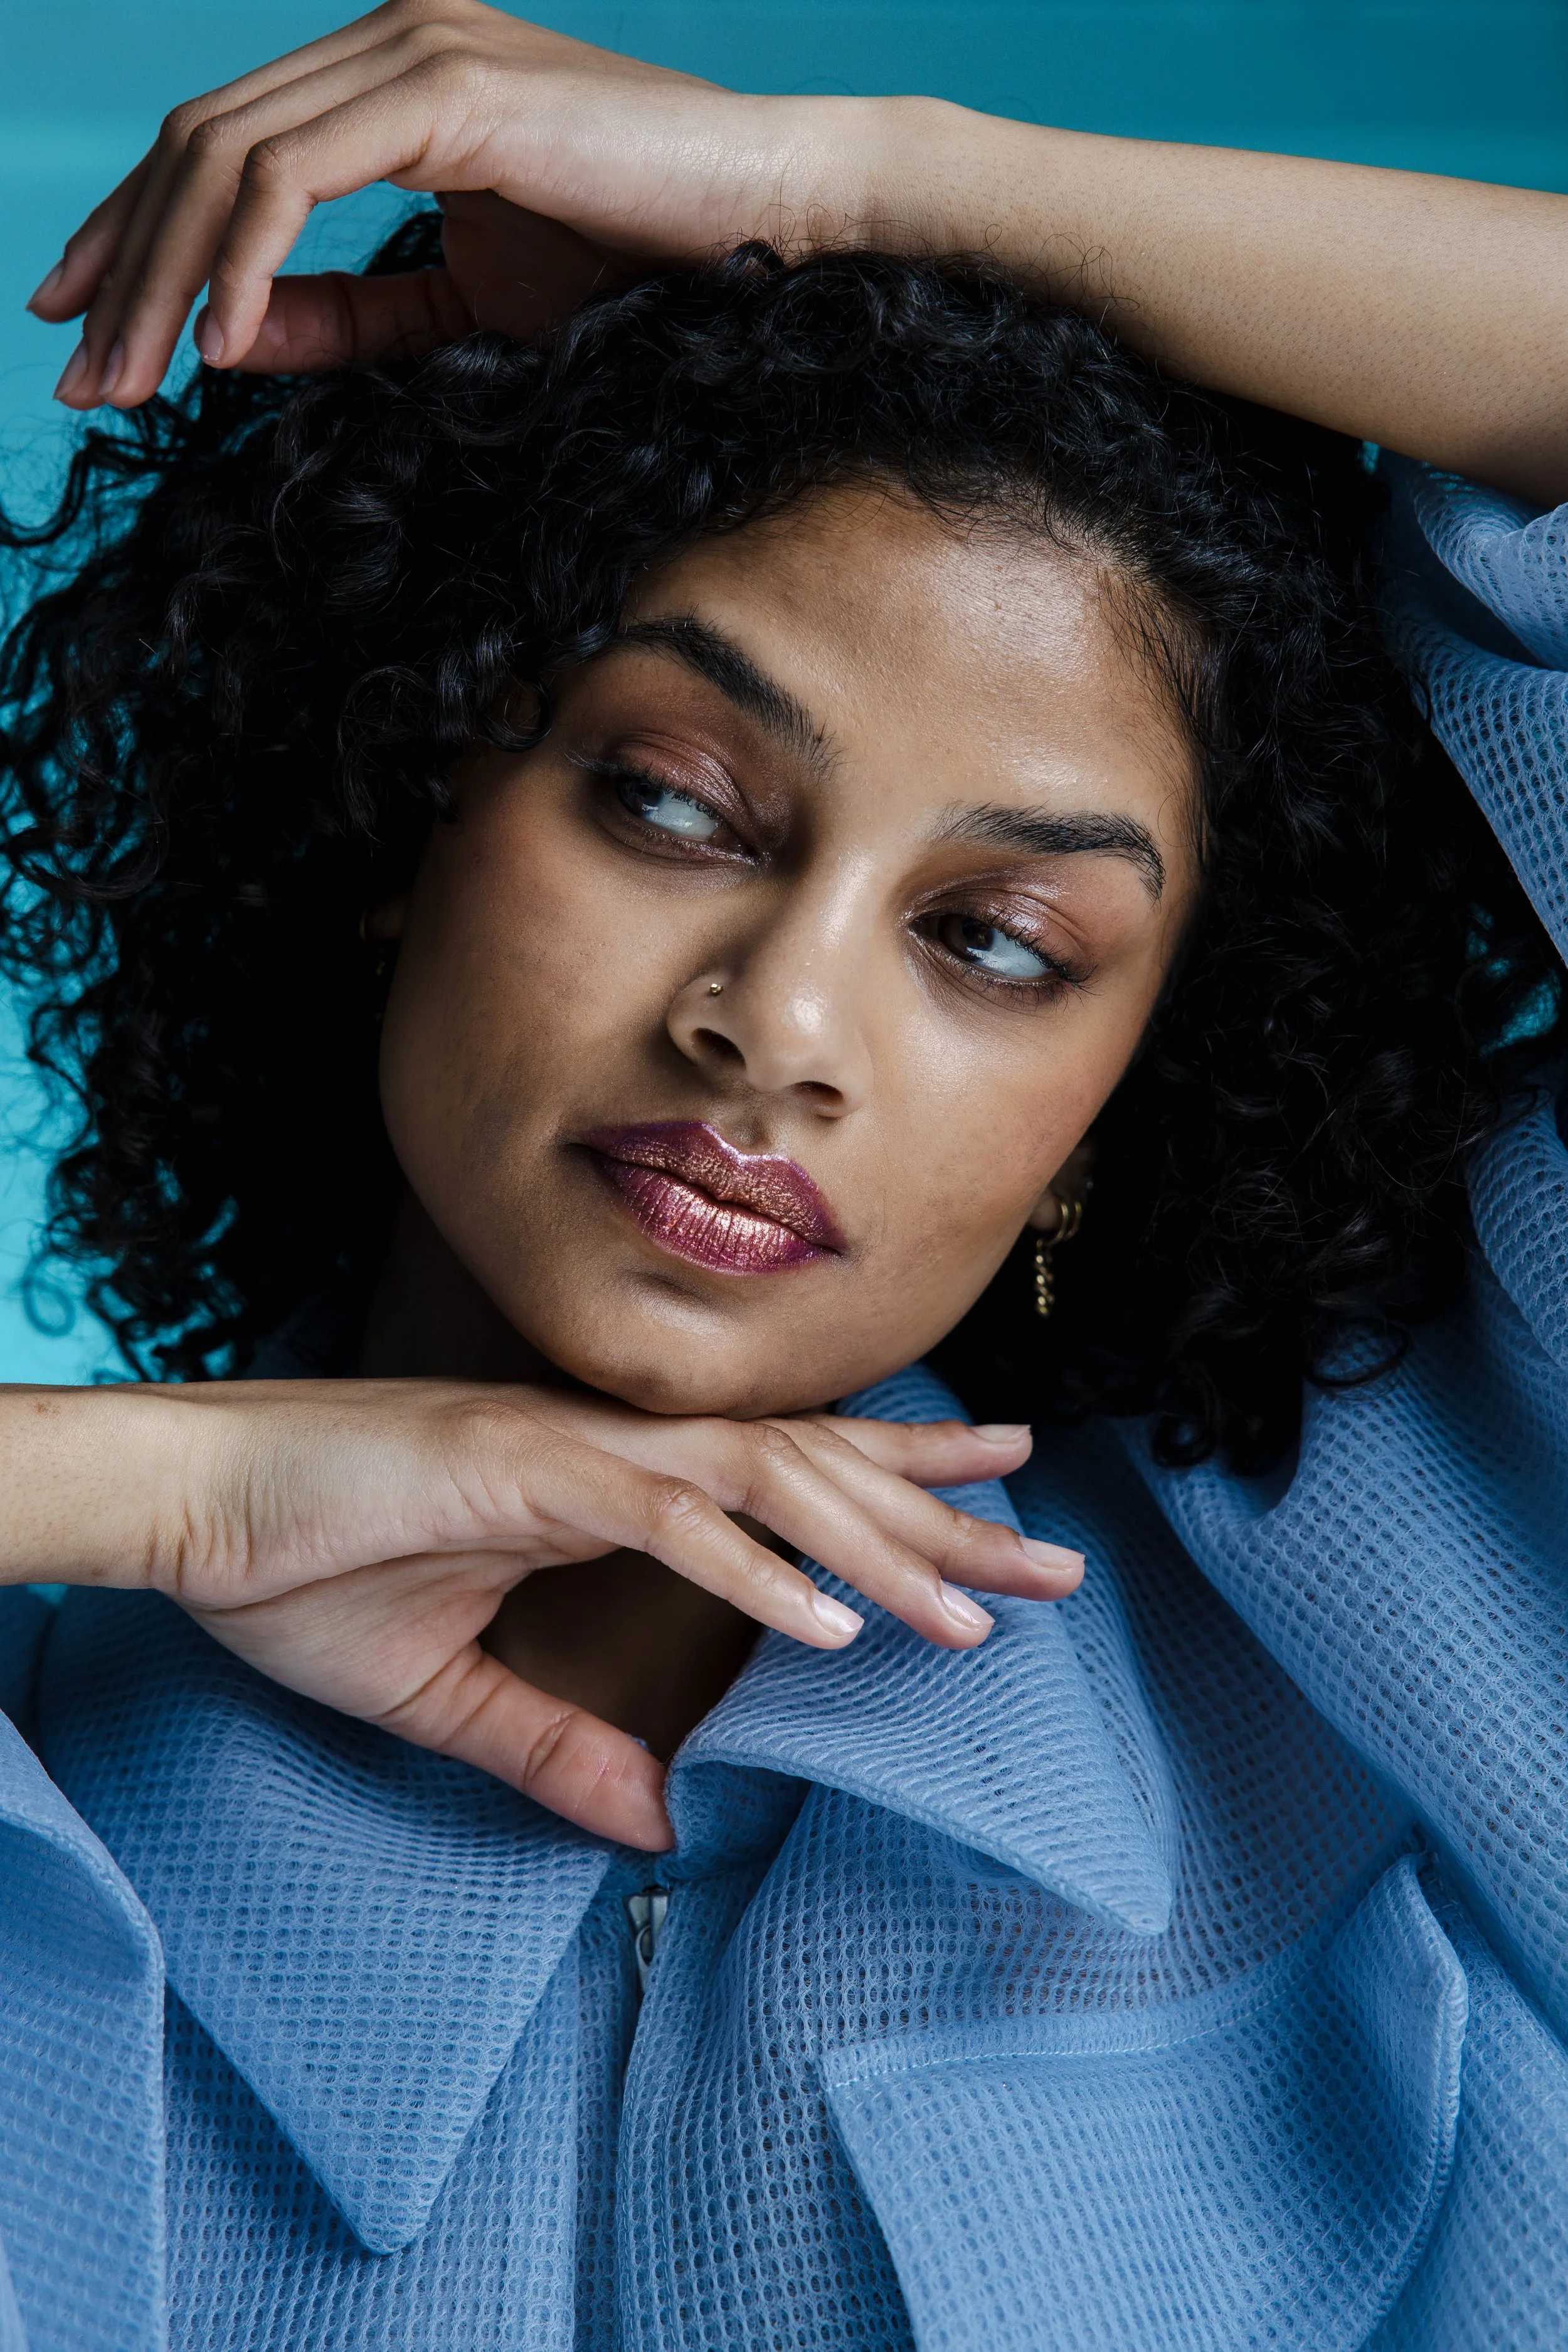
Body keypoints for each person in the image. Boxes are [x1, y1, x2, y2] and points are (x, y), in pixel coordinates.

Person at [0, 6, 1564, 2346]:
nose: (777, 1020)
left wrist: (859, 185)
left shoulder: (1415, 1640)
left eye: (998, 940)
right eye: (671, 800)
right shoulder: (47, 1760)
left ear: (1139, 1078)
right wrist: (159, 1497)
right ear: (404, 794)